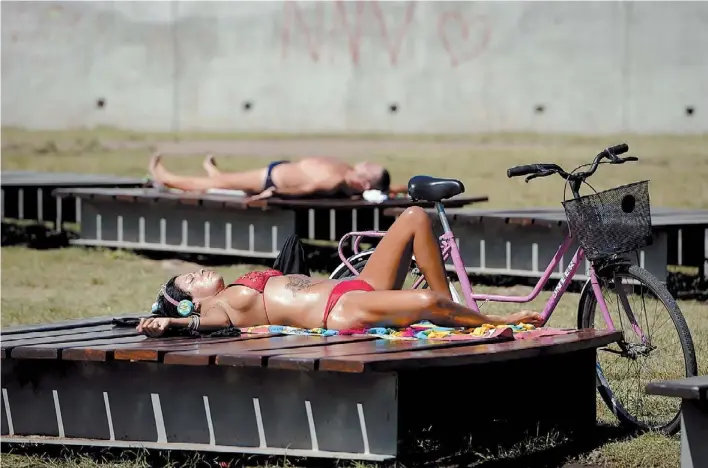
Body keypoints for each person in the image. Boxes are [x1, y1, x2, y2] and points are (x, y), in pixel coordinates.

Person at [139, 206, 542, 337]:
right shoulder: (219, 309)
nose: (200, 273)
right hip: (341, 309)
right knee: (423, 302)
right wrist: (172, 326)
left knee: (416, 216)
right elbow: (202, 323)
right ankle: (492, 320)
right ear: (190, 303)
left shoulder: (230, 291)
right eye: (191, 280)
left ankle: (452, 312)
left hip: (353, 286)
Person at [148, 153, 408, 203]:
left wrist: (275, 193)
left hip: (272, 181)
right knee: (227, 181)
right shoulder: (348, 173)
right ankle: (218, 174)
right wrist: (400, 188)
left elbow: (306, 188)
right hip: (278, 171)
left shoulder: (336, 181)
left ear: (363, 183)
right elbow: (385, 189)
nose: (363, 163)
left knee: (214, 186)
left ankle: (167, 178)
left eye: (367, 168)